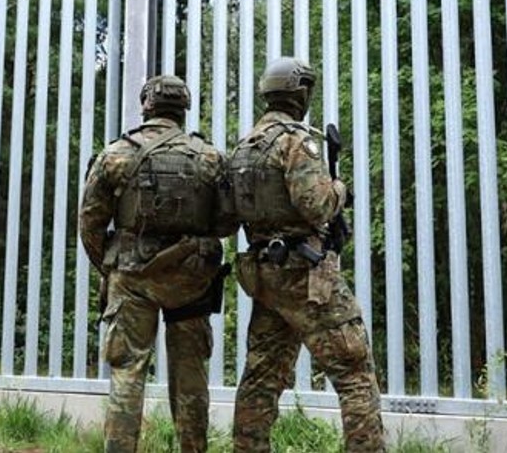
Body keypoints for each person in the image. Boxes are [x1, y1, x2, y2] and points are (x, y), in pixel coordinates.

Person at [228, 57, 385, 452]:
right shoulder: (298, 141)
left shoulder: (244, 147)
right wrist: (340, 189)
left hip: (266, 277)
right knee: (354, 372)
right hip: (308, 277)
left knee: (260, 379)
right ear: (300, 93)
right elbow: (316, 205)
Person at [79, 74, 235, 453]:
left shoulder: (116, 153)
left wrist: (112, 268)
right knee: (190, 377)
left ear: (146, 105)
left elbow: (90, 222)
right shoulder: (210, 157)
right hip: (192, 281)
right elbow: (227, 221)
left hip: (131, 278)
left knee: (127, 373)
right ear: (184, 109)